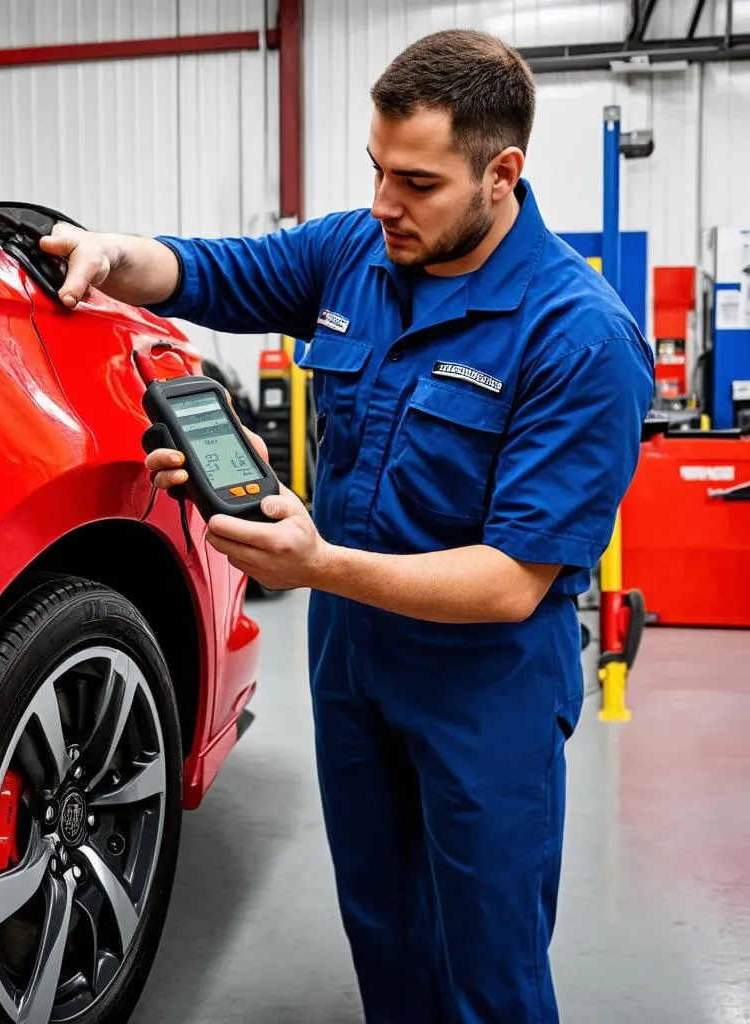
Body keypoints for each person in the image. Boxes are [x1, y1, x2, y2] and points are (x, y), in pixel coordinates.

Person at [40, 28, 654, 1024]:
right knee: (383, 929)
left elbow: (509, 581)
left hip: (482, 683)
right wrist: (110, 253)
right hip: (354, 665)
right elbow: (207, 272)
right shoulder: (355, 253)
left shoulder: (577, 335)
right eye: (374, 169)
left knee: (489, 963)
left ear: (502, 174)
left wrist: (316, 560)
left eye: (415, 182)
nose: (383, 205)